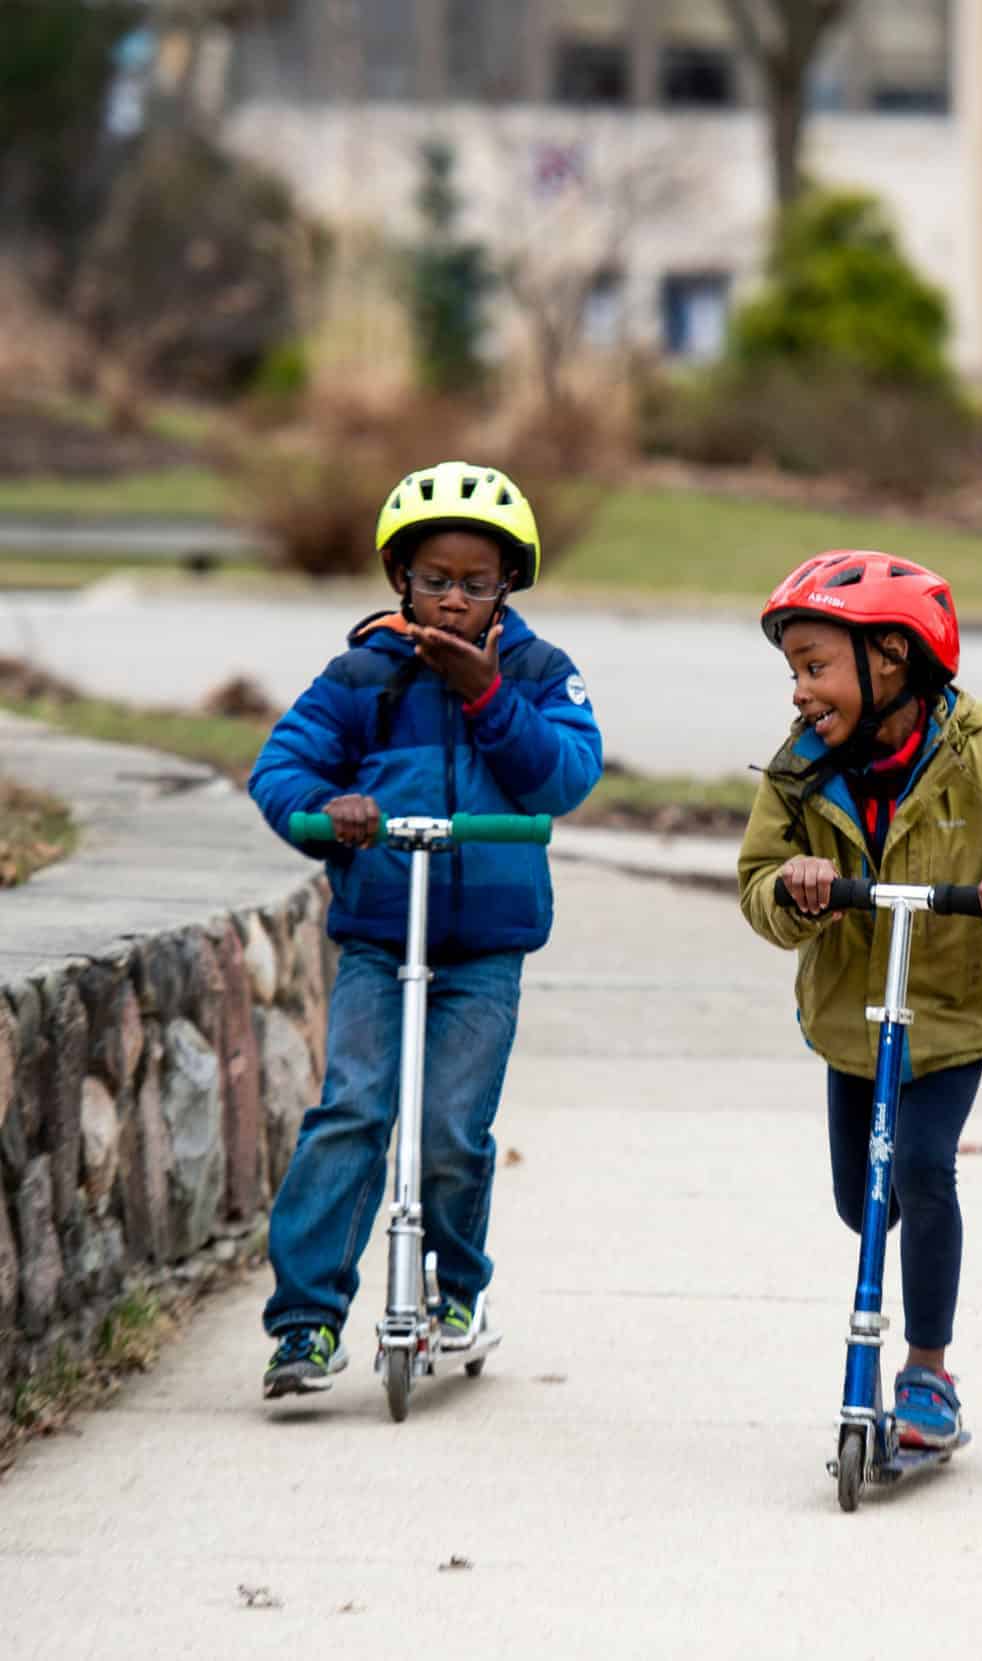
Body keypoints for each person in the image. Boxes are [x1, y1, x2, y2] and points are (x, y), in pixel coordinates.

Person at [247, 461, 603, 1399]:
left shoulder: (538, 672)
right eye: (434, 579)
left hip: (484, 944)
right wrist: (332, 806)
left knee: (450, 1125)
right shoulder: (362, 674)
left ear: (507, 586)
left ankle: (458, 1293)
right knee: (353, 1108)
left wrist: (489, 696)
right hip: (377, 933)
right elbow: (279, 769)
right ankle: (306, 1323)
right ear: (400, 577)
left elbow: (565, 776)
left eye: (474, 583)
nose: (452, 600)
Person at [736, 551, 982, 1447]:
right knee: (859, 1196)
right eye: (794, 672)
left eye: (815, 667)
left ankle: (927, 1372)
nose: (799, 692)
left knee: (922, 1170)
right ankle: (895, 1269)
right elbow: (756, 879)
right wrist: (793, 883)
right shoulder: (801, 769)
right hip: (850, 1021)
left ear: (890, 658)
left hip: (946, 1014)